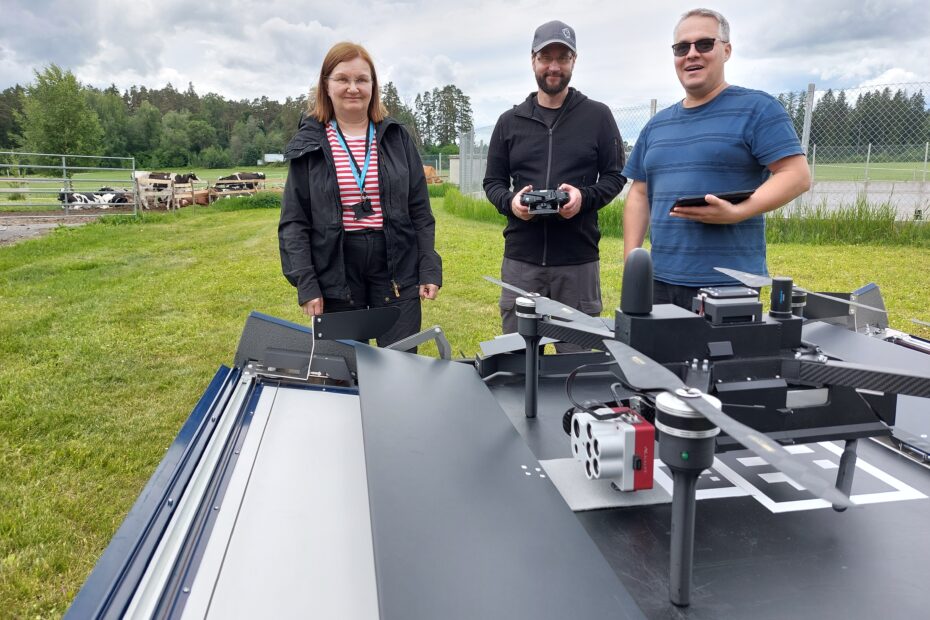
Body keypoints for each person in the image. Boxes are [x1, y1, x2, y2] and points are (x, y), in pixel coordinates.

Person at [622, 8, 811, 309]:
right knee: (655, 358)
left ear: (726, 50)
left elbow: (796, 175)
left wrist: (739, 211)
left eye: (704, 44)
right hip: (659, 283)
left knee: (724, 357)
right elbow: (639, 192)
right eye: (681, 48)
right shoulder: (657, 125)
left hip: (729, 285)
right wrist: (633, 263)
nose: (692, 54)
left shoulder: (758, 109)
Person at [279, 42, 442, 347]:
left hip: (396, 266)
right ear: (326, 86)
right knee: (344, 369)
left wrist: (428, 265)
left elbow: (420, 209)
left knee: (401, 364)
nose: (353, 88)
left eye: (361, 80)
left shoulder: (396, 137)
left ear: (373, 86)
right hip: (336, 269)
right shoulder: (309, 144)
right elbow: (294, 222)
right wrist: (307, 283)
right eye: (342, 79)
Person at [483, 20, 626, 345]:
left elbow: (616, 176)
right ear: (533, 60)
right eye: (546, 57)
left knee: (574, 368)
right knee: (517, 361)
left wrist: (583, 198)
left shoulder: (597, 116)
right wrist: (512, 203)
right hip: (522, 259)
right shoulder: (510, 121)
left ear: (574, 61)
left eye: (563, 58)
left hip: (577, 262)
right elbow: (493, 182)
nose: (553, 66)